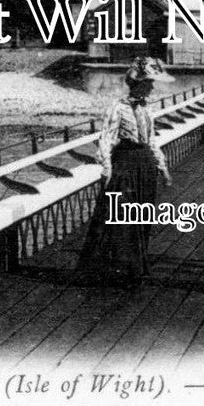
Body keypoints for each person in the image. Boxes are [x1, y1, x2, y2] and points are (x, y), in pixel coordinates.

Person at [76, 56, 174, 287]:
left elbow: (151, 141)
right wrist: (107, 171)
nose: (152, 87)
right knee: (122, 219)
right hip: (125, 165)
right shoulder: (117, 108)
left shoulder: (147, 109)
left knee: (143, 217)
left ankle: (136, 267)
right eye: (149, 83)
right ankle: (119, 271)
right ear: (139, 83)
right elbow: (106, 141)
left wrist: (163, 167)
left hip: (145, 165)